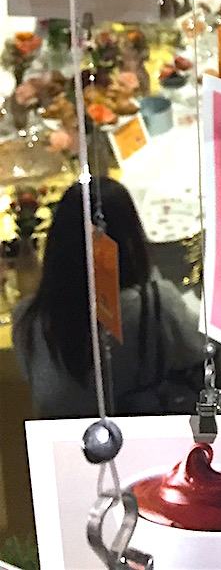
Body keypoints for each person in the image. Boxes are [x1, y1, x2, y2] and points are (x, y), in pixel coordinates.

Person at [13, 178, 203, 417]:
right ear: (130, 237)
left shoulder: (26, 320)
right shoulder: (154, 307)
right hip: (139, 436)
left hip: (66, 440)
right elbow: (203, 348)